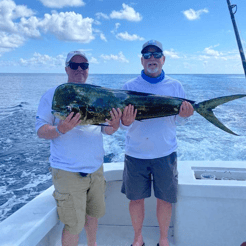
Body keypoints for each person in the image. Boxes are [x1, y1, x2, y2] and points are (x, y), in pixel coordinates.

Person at [35, 51, 122, 246]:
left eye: (84, 65)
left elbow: (106, 129)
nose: (79, 69)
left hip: (96, 170)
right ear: (66, 68)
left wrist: (115, 126)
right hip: (67, 173)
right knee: (73, 225)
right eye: (74, 65)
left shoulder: (97, 95)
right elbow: (41, 130)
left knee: (93, 217)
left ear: (88, 69)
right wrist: (61, 128)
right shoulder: (53, 94)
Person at [120, 40, 194, 246]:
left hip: (165, 153)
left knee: (165, 199)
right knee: (136, 200)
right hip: (135, 154)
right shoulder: (129, 87)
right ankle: (138, 239)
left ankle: (163, 240)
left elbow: (178, 121)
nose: (151, 58)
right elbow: (123, 125)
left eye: (156, 54)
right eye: (147, 55)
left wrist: (185, 115)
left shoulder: (175, 86)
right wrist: (125, 121)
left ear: (163, 59)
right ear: (142, 60)